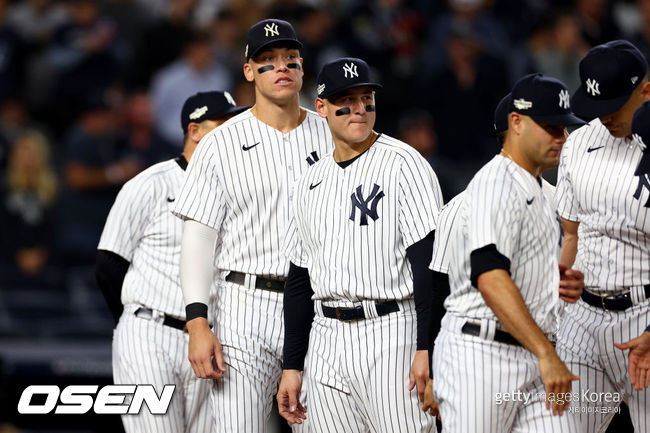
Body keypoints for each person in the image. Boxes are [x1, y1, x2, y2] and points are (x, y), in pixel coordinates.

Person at [171, 19, 332, 432]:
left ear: (301, 68)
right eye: (267, 61)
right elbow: (198, 238)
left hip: (319, 306)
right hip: (245, 303)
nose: (281, 67)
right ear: (248, 71)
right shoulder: (219, 144)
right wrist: (197, 321)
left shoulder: (332, 135)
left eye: (289, 59)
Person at [276, 57, 441, 432]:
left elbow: (429, 266)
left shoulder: (404, 163)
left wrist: (426, 347)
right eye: (345, 101)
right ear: (321, 107)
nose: (359, 109)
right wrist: (292, 365)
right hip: (326, 336)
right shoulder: (309, 181)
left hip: (391, 332)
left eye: (366, 99)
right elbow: (299, 283)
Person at [432, 73, 586, 432]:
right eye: (550, 126)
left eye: (564, 128)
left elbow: (511, 269)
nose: (561, 137)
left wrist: (551, 281)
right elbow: (489, 276)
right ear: (515, 122)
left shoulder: (531, 183)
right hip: (481, 355)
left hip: (528, 350)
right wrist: (548, 355)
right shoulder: (498, 182)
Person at [96, 91, 248, 433]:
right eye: (223, 124)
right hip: (150, 333)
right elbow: (108, 264)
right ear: (195, 131)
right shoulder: (150, 184)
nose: (235, 132)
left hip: (209, 339)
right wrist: (134, 325)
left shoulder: (240, 192)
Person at [555, 40, 650, 431]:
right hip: (582, 319)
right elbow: (571, 234)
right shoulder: (579, 142)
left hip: (643, 316)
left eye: (612, 105)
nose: (603, 116)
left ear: (645, 91)